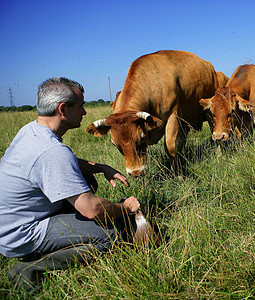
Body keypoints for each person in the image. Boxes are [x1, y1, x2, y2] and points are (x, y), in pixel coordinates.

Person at [0, 77, 151, 294]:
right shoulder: (52, 151)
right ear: (63, 109)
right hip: (23, 234)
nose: (84, 113)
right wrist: (126, 208)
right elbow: (94, 210)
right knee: (110, 234)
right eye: (80, 106)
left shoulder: (31, 131)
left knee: (86, 178)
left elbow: (60, 164)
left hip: (8, 224)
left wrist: (100, 167)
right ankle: (29, 268)